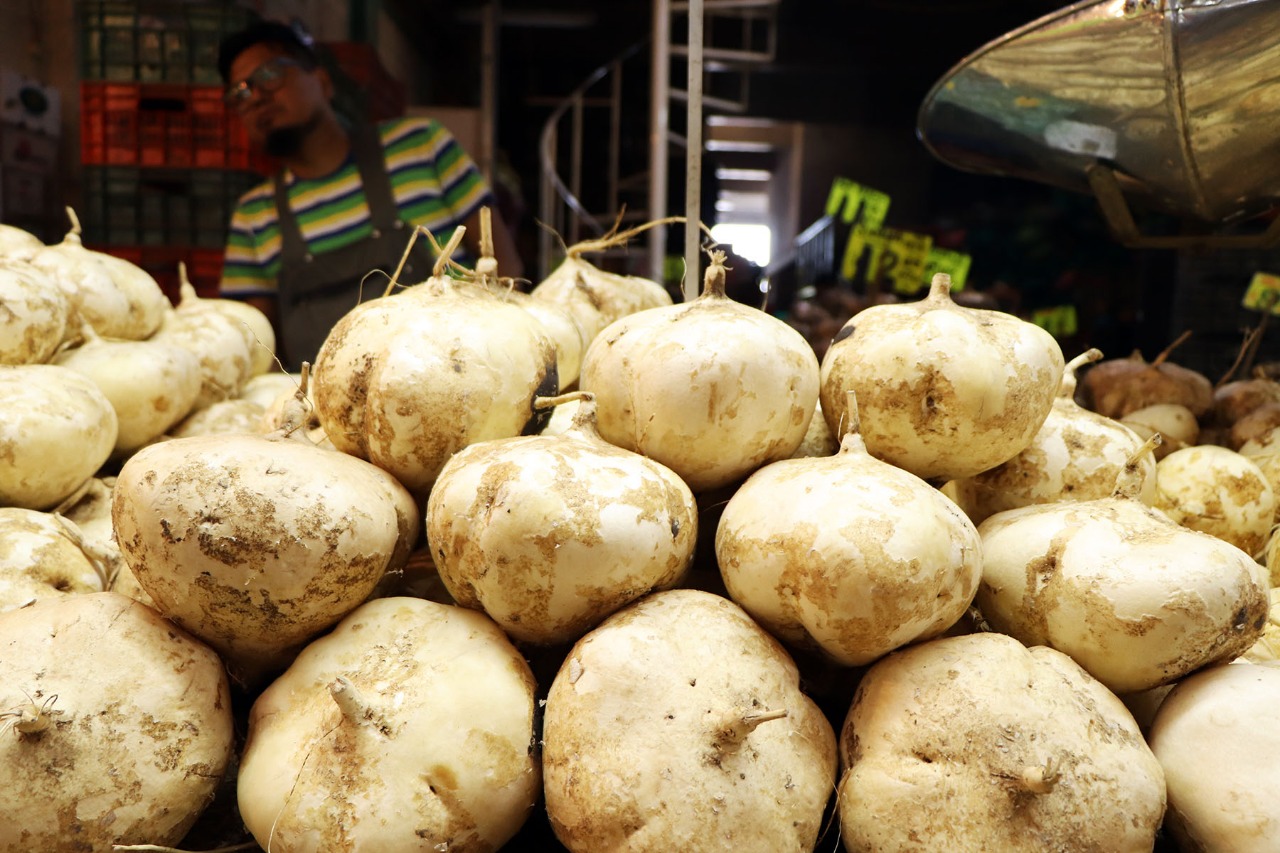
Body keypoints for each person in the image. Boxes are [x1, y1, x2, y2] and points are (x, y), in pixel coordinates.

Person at [216, 20, 523, 370]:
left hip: (466, 377)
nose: (255, 97)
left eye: (270, 74)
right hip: (329, 414)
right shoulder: (253, 216)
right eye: (239, 93)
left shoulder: (420, 146)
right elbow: (254, 345)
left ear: (322, 81)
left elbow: (504, 267)